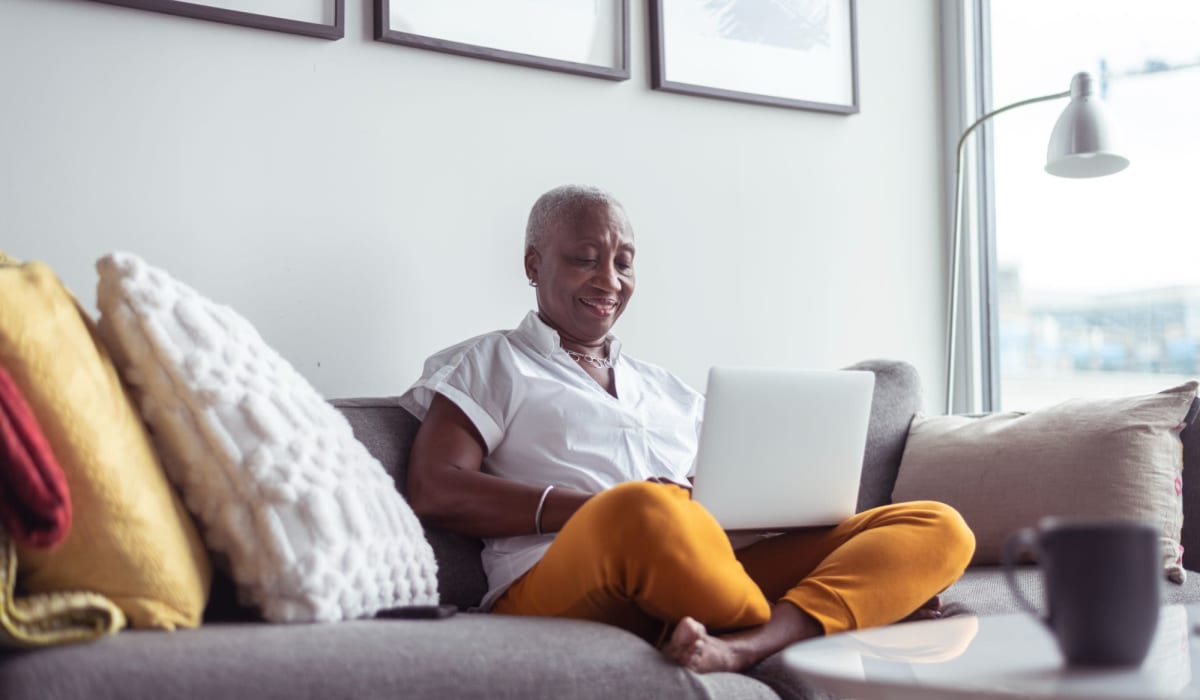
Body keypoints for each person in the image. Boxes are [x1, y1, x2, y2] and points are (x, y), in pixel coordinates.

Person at [398, 184, 975, 673]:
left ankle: (747, 642)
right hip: (561, 578)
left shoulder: (669, 390)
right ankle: (843, 613)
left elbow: (720, 497)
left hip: (704, 566)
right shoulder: (493, 362)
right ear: (533, 265)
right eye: (584, 258)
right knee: (644, 511)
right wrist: (594, 508)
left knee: (938, 524)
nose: (609, 279)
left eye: (623, 262)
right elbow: (436, 486)